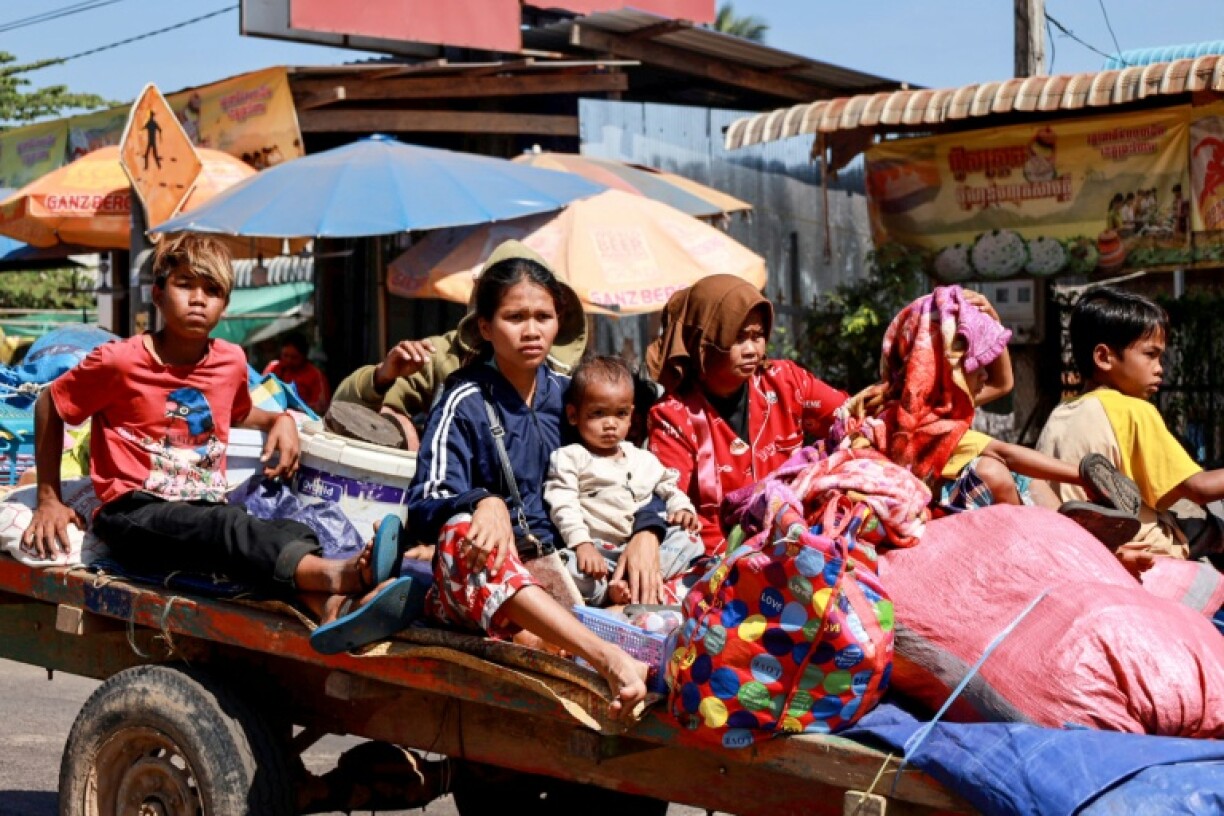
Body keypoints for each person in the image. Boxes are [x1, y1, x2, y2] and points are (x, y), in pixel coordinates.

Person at [25, 234, 396, 628]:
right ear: (158, 293)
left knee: (285, 526)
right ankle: (342, 576)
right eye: (185, 284)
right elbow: (51, 402)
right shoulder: (119, 361)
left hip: (202, 509)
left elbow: (237, 412)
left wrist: (279, 419)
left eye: (212, 289)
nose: (198, 298)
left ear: (225, 304)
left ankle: (330, 609)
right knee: (227, 527)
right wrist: (49, 497)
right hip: (134, 513)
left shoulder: (230, 361)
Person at [406, 240, 649, 717]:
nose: (532, 330)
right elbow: (423, 501)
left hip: (578, 566)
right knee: (461, 534)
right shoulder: (464, 400)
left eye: (543, 316)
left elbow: (637, 467)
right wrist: (482, 502)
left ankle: (564, 631)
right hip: (501, 577)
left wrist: (649, 532)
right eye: (515, 318)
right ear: (485, 327)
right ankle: (607, 655)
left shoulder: (573, 392)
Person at [841, 286, 1139, 544]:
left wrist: (994, 323)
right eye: (975, 364)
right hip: (941, 511)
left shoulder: (935, 401)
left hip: (956, 497)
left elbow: (1003, 383)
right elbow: (1005, 453)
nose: (985, 370)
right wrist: (1084, 475)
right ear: (950, 370)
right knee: (994, 471)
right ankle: (1049, 537)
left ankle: (1072, 529)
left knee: (1027, 481)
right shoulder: (924, 422)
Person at [646, 274, 850, 556]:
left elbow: (851, 420)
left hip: (800, 541)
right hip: (717, 561)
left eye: (758, 336)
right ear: (704, 341)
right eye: (738, 338)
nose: (752, 350)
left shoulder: (787, 382)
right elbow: (672, 500)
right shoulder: (673, 417)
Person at [1038, 287, 1224, 575]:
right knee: (1214, 525)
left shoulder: (1062, 412)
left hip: (1072, 544)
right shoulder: (1132, 410)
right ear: (1104, 357)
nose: (1160, 368)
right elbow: (1200, 488)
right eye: (1150, 355)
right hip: (1140, 546)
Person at [544, 356, 703, 606]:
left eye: (620, 414)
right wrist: (582, 544)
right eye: (598, 414)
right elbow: (562, 502)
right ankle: (614, 591)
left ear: (632, 415)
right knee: (570, 571)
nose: (610, 424)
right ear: (574, 415)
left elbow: (668, 486)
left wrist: (681, 508)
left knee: (690, 540)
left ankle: (644, 581)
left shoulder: (642, 459)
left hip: (640, 550)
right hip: (598, 553)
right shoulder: (571, 457)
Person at [263, 331, 332, 415]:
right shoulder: (273, 368)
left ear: (304, 356)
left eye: (294, 357)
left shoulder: (315, 375)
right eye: (285, 355)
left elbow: (321, 406)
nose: (288, 360)